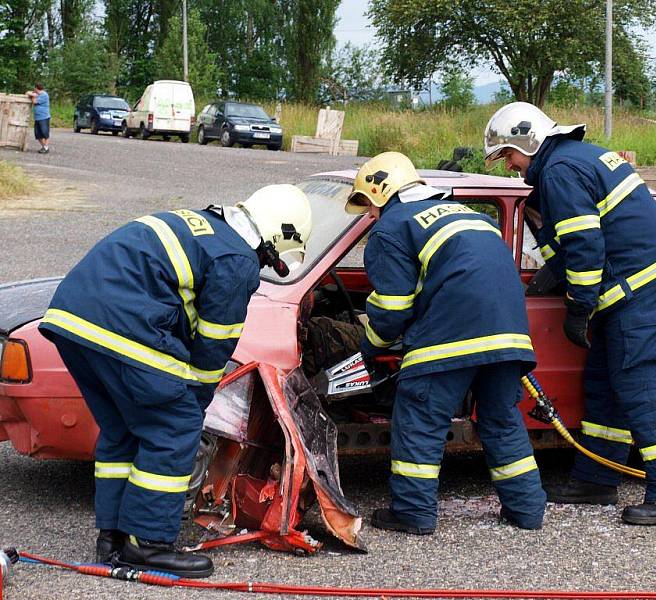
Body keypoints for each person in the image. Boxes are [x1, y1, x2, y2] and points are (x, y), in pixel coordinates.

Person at [38, 185, 312, 577]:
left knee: (122, 430)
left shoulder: (204, 225)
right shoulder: (236, 259)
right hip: (123, 326)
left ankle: (113, 537)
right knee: (173, 426)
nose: (268, 264)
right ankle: (149, 545)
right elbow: (214, 345)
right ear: (276, 237)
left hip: (70, 321)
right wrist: (194, 403)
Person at [484, 102, 656, 526]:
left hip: (644, 292)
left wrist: (579, 305)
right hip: (629, 292)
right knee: (604, 383)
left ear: (528, 141)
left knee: (644, 388)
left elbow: (584, 246)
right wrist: (555, 274)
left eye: (508, 155)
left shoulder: (560, 170)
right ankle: (597, 478)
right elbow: (578, 240)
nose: (509, 166)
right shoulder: (571, 161)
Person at [345, 151, 546, 535]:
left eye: (369, 207)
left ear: (381, 194)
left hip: (450, 337)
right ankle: (527, 510)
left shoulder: (393, 228)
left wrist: (369, 346)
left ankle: (412, 513)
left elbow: (391, 308)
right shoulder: (471, 215)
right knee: (501, 420)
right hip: (510, 336)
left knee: (420, 419)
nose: (370, 216)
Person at [26, 83, 50, 154]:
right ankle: (44, 147)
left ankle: (46, 147)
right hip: (37, 118)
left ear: (36, 88)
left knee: (45, 133)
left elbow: (34, 102)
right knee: (37, 134)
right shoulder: (37, 94)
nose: (34, 90)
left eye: (34, 88)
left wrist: (33, 96)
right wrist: (33, 94)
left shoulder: (44, 95)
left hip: (44, 117)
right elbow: (27, 92)